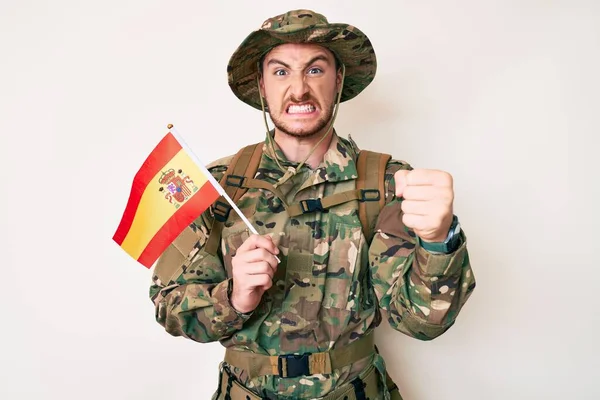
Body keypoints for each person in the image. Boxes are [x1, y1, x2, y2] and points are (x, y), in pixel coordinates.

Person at [149, 9, 476, 400]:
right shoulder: (217, 185)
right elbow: (171, 307)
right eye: (281, 71)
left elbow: (422, 323)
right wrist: (234, 297)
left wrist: (438, 242)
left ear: (338, 80)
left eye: (315, 70)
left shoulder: (385, 183)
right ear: (262, 84)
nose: (299, 89)